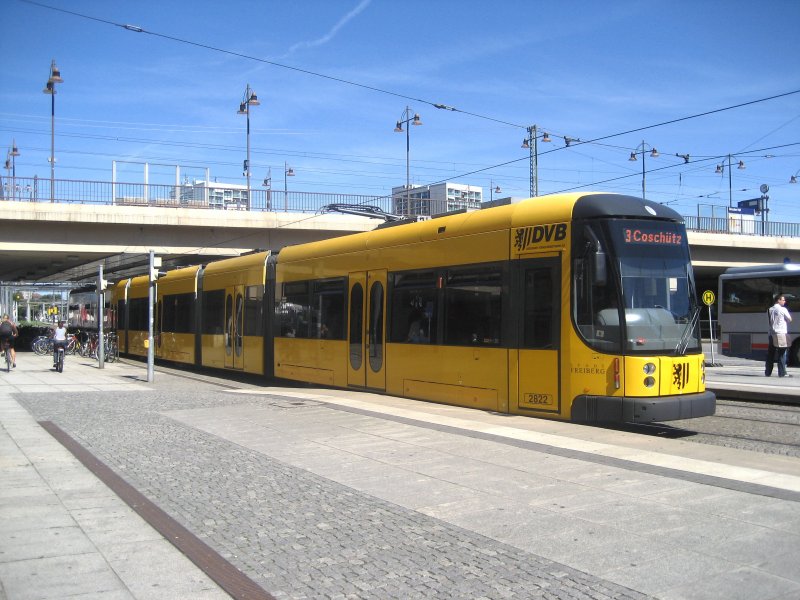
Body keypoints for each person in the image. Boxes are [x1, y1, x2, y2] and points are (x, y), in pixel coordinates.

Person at [766, 294, 792, 377]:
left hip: (772, 333)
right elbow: (789, 319)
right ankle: (782, 373)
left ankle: (768, 372)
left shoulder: (770, 309)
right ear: (778, 300)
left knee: (771, 354)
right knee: (782, 353)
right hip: (781, 333)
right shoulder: (783, 309)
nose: (784, 301)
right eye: (783, 300)